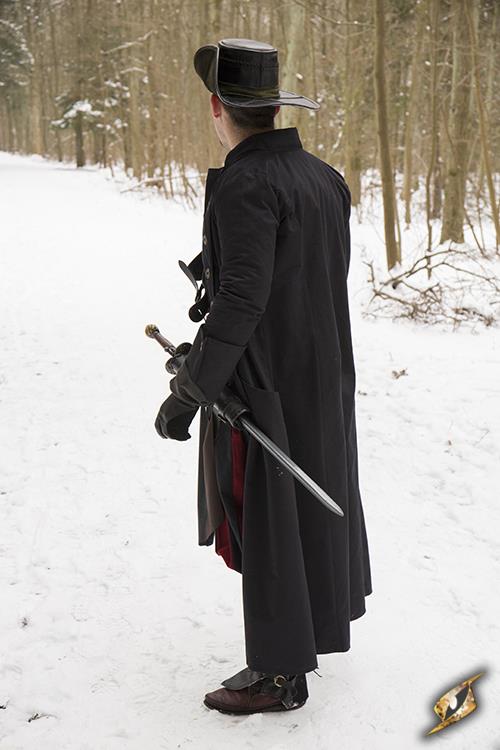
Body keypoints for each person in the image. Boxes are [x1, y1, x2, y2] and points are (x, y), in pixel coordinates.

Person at [155, 38, 372, 715]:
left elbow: (243, 303)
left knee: (275, 524)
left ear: (216, 108)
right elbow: (288, 276)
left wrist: (186, 394)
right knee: (298, 517)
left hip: (269, 384)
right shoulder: (323, 177)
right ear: (275, 108)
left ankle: (279, 676)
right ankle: (295, 649)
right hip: (322, 377)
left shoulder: (246, 183)